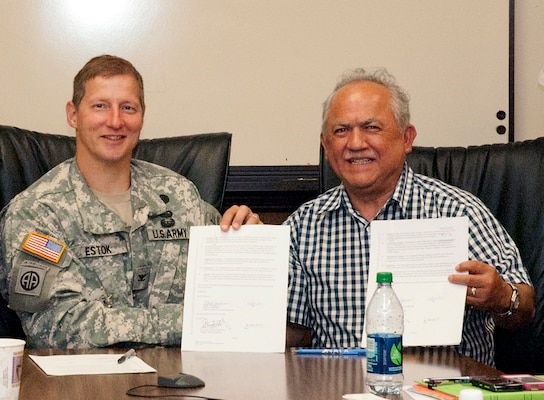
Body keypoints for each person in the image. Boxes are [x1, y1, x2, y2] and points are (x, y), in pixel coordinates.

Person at [0, 55, 259, 348]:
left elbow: (238, 299)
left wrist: (250, 240)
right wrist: (191, 322)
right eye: (100, 106)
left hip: (185, 383)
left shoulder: (181, 195)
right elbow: (57, 326)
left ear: (142, 116)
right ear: (73, 114)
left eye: (128, 108)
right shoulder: (36, 213)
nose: (115, 121)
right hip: (84, 387)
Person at [284, 67, 535, 366]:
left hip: (442, 390)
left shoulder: (457, 211)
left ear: (406, 138)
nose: (355, 143)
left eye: (371, 127)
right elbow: (293, 334)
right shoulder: (303, 226)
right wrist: (249, 250)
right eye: (341, 131)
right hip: (337, 390)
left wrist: (502, 297)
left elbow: (525, 307)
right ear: (326, 146)